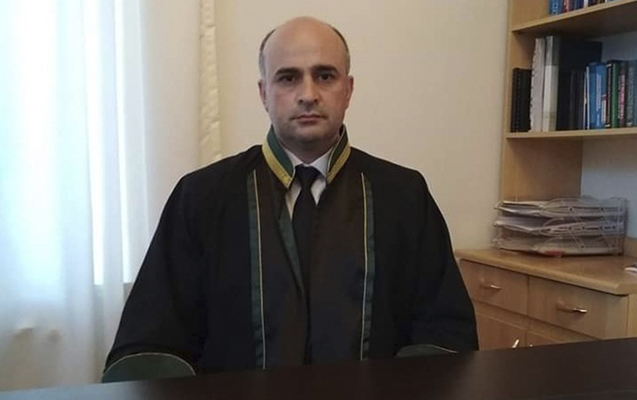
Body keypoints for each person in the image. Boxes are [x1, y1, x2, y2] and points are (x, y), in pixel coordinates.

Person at [104, 16, 477, 378]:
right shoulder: (201, 198)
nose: (308, 94)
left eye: (325, 76)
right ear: (264, 93)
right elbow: (152, 343)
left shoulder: (404, 197)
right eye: (288, 77)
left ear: (348, 90)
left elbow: (445, 334)